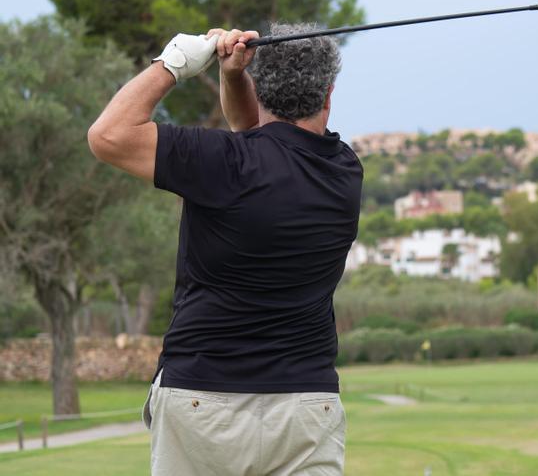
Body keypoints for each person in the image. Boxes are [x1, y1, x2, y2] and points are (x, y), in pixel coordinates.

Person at [88, 23, 362, 475]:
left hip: (202, 401)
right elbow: (260, 135)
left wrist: (175, 62)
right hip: (308, 407)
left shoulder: (224, 164)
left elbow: (108, 136)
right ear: (329, 95)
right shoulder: (344, 172)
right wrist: (234, 77)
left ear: (266, 92)